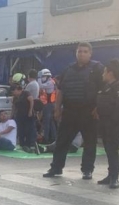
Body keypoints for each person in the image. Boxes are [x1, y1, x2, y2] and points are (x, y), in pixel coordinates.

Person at [44, 42, 106, 179]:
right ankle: (56, 168)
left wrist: (98, 108)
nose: (82, 54)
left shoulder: (97, 68)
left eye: (85, 51)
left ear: (90, 53)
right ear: (76, 53)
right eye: (79, 51)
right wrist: (57, 109)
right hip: (70, 111)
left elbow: (104, 91)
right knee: (62, 141)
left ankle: (87, 170)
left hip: (89, 112)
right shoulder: (68, 69)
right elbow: (60, 90)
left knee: (89, 142)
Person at [96, 59, 119, 189]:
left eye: (104, 72)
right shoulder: (106, 87)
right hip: (105, 123)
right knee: (108, 151)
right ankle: (110, 175)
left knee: (113, 151)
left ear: (110, 73)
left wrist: (112, 123)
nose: (103, 74)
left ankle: (115, 178)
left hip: (114, 125)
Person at [12, 84, 37, 153]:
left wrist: (30, 111)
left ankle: (29, 143)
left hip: (27, 114)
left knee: (29, 129)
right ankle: (22, 143)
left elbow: (31, 101)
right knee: (20, 129)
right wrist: (12, 115)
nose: (13, 93)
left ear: (18, 90)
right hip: (19, 115)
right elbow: (14, 106)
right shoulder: (15, 97)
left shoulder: (26, 93)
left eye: (14, 91)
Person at [21, 70, 40, 153]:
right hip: (34, 105)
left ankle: (28, 143)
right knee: (31, 126)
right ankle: (32, 142)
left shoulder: (31, 84)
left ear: (29, 76)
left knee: (28, 126)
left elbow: (24, 94)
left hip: (29, 106)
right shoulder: (36, 83)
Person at [39, 69, 58, 144]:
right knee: (51, 122)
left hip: (49, 105)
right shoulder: (49, 82)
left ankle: (46, 139)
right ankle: (53, 138)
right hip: (48, 104)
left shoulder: (50, 82)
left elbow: (40, 85)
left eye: (43, 76)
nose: (42, 78)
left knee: (46, 122)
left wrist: (39, 78)